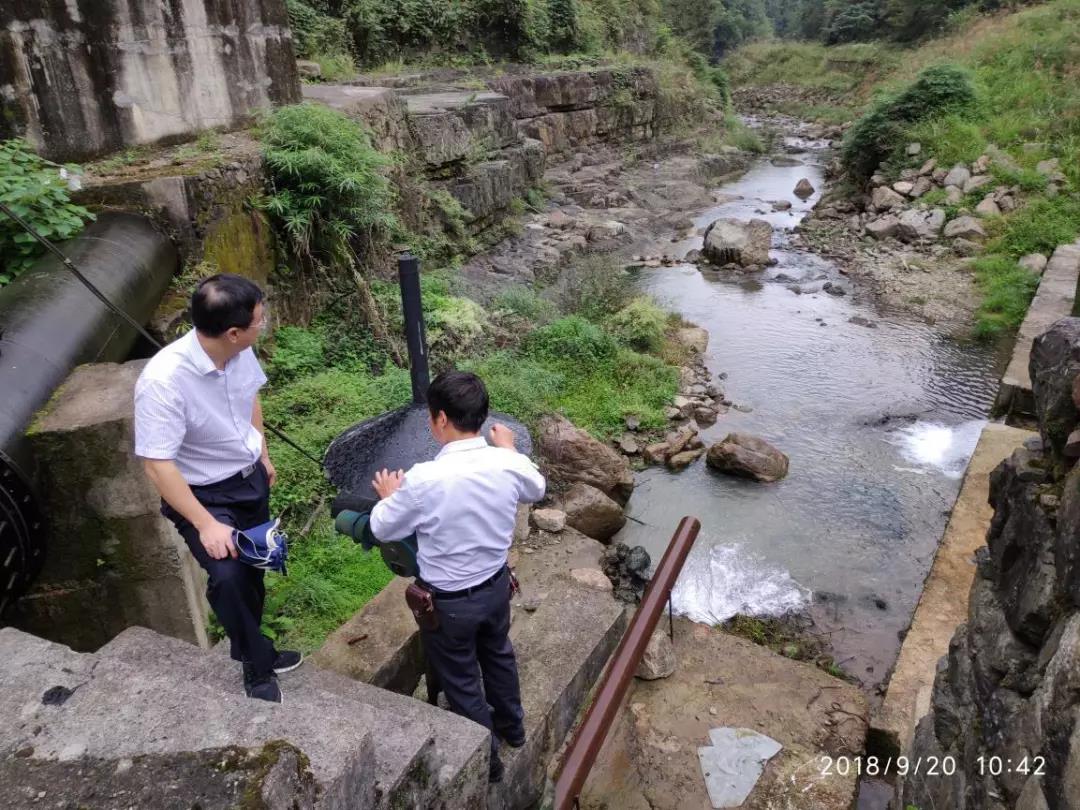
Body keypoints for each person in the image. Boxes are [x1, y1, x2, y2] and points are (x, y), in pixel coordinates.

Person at [369, 370, 545, 783]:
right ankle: (513, 729)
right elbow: (536, 488)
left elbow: (382, 527)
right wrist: (509, 449)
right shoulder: (506, 462)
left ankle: (489, 764)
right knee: (498, 656)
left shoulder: (424, 478)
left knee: (463, 683)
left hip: (449, 606)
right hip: (496, 587)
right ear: (482, 417)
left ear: (442, 419)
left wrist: (390, 497)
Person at [134, 273, 302, 704]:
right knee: (227, 577)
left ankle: (256, 645)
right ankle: (256, 665)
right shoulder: (163, 381)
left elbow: (250, 398)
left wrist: (262, 453)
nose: (262, 325)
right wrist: (206, 524)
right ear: (232, 332)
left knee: (253, 568)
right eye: (259, 321)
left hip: (249, 479)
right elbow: (156, 464)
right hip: (203, 496)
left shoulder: (239, 352)